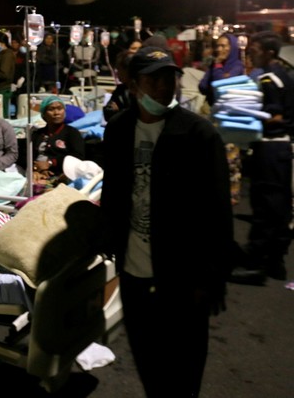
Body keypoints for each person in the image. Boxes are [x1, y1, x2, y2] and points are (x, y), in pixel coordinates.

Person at [100, 46, 232, 398]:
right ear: (134, 85)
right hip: (135, 271)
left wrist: (213, 277)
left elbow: (218, 211)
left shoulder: (198, 135)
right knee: (148, 363)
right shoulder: (118, 130)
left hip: (183, 276)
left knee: (185, 370)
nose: (164, 86)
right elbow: (112, 192)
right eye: (153, 79)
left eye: (169, 77)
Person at [230, 31, 293, 284]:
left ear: (269, 53)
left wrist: (246, 116)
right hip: (282, 149)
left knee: (265, 206)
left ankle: (256, 266)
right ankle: (275, 261)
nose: (251, 53)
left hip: (270, 148)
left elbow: (275, 116)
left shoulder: (268, 79)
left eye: (255, 49)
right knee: (278, 207)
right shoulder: (283, 76)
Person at [30, 95, 85, 191]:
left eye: (60, 109)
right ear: (44, 115)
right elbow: (27, 155)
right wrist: (35, 169)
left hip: (61, 175)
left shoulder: (72, 133)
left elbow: (78, 156)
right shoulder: (37, 134)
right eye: (51, 109)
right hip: (37, 174)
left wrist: (51, 163)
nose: (56, 113)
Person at [197, 33, 245, 108]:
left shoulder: (237, 66)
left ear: (232, 48)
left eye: (223, 46)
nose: (218, 49)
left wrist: (218, 66)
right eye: (217, 46)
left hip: (229, 108)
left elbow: (221, 86)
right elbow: (202, 87)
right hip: (212, 106)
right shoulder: (214, 64)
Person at [102, 49, 135, 124]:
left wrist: (120, 111)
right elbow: (107, 113)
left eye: (119, 70)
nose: (117, 74)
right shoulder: (120, 90)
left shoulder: (140, 90)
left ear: (127, 70)